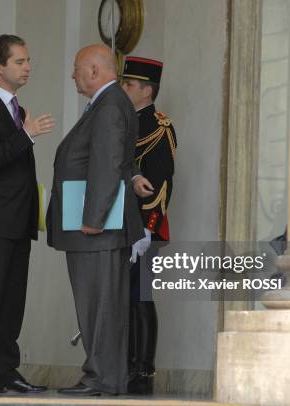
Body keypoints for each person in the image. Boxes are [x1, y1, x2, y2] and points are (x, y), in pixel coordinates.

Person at [46, 44, 145, 396]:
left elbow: (105, 163)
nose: (72, 75)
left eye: (76, 68)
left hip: (95, 230)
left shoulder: (108, 106)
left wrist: (93, 218)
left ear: (93, 70)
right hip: (98, 229)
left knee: (98, 306)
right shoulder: (111, 103)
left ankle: (100, 379)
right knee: (102, 305)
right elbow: (117, 160)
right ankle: (105, 378)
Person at [0, 34, 55, 394]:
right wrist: (26, 134)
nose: (27, 66)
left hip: (19, 220)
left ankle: (6, 371)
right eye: (19, 61)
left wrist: (24, 130)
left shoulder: (16, 109)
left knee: (13, 301)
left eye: (28, 60)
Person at [121, 56, 178, 394]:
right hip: (124, 226)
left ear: (146, 90)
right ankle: (128, 363)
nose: (124, 88)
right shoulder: (127, 122)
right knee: (126, 298)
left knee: (140, 296)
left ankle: (144, 368)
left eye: (129, 84)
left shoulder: (159, 126)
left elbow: (163, 181)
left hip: (145, 228)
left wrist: (147, 228)